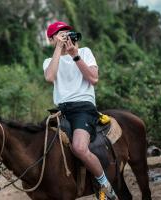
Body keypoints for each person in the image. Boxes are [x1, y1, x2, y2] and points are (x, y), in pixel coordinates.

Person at [43, 21, 118, 200]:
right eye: (60, 34)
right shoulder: (49, 61)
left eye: (68, 33)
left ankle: (105, 185)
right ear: (52, 39)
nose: (66, 37)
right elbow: (50, 77)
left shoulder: (84, 52)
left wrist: (75, 56)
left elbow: (93, 78)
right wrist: (59, 50)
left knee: (78, 147)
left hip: (83, 108)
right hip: (60, 110)